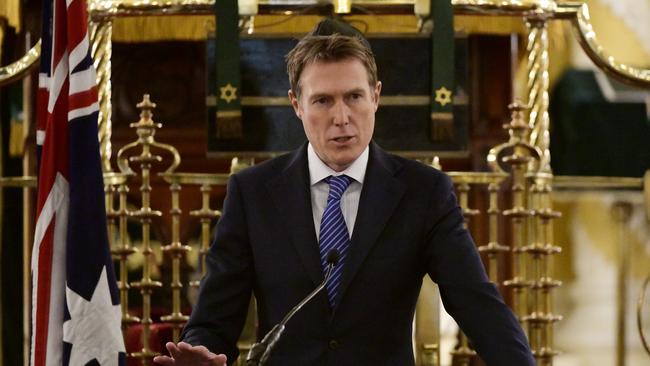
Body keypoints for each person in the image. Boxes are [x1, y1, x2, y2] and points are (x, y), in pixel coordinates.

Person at [154, 18, 535, 366]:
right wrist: (201, 351)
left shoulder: (424, 192)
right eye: (322, 100)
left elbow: (477, 304)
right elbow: (214, 319)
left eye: (354, 97)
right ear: (296, 105)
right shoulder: (253, 193)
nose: (341, 118)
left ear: (376, 97)